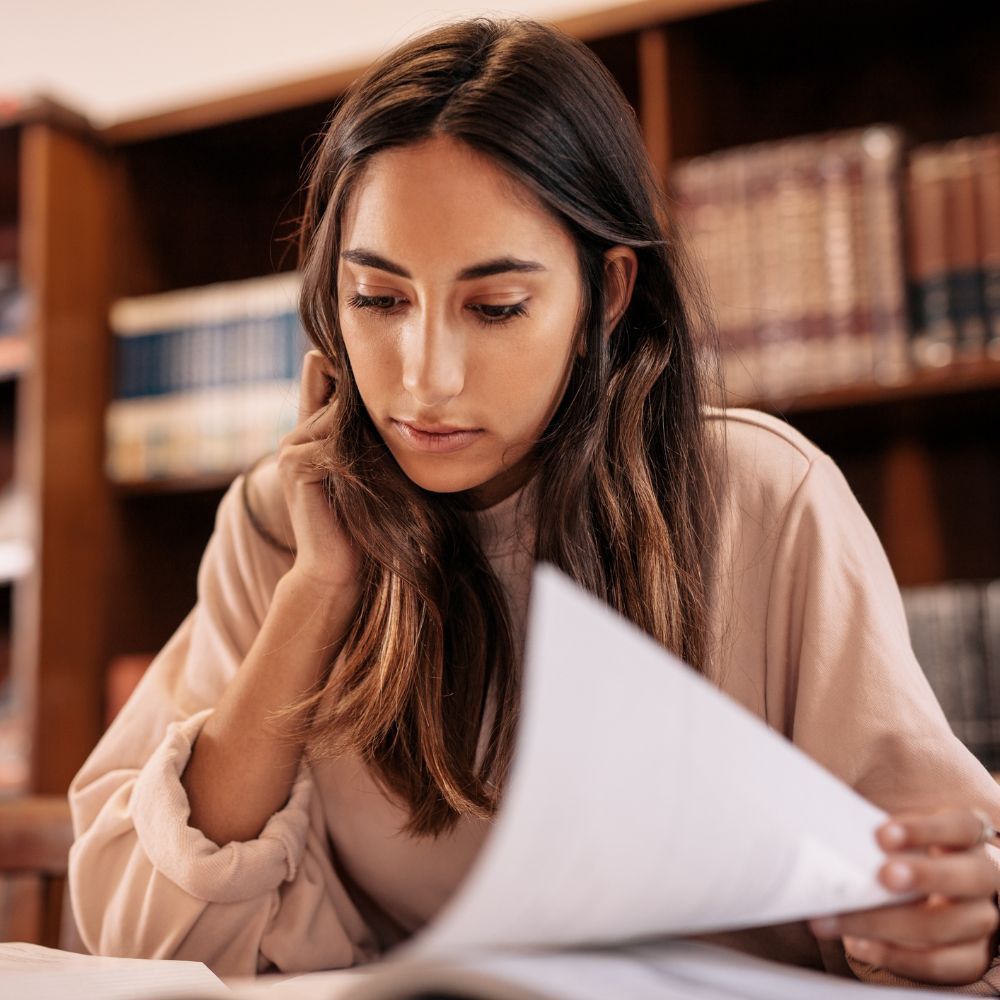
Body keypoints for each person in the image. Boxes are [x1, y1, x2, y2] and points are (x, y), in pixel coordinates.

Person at [69, 15, 1000, 990]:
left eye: (495, 307)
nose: (423, 380)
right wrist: (319, 588)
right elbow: (147, 943)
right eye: (379, 301)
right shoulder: (285, 518)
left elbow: (943, 892)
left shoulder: (763, 499)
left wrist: (944, 921)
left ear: (605, 294)